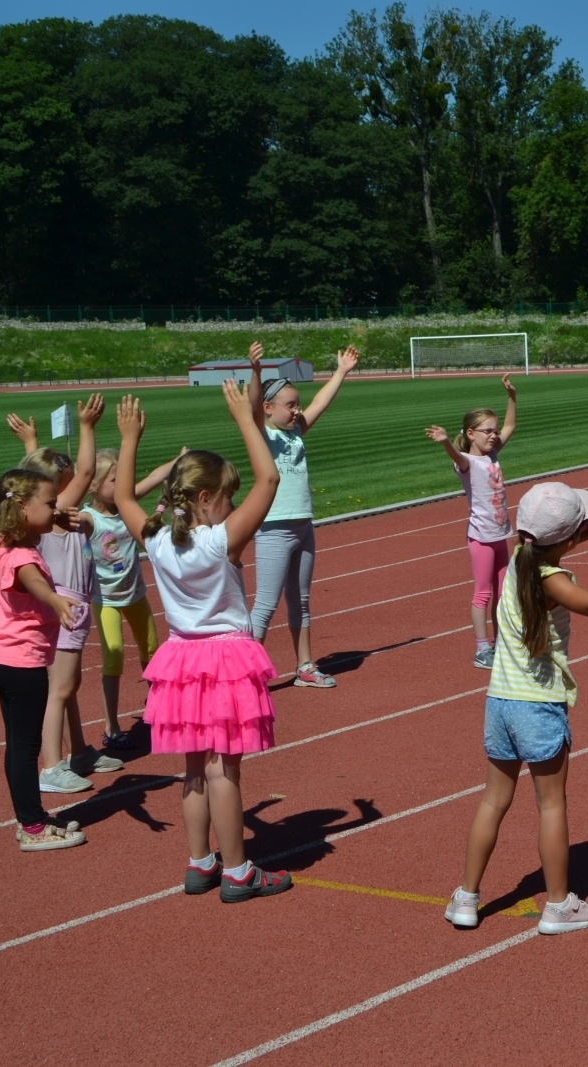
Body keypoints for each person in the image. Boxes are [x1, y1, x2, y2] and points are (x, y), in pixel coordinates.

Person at [113, 368, 294, 903]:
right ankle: (238, 872)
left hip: (181, 659)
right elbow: (270, 481)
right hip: (226, 659)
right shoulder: (220, 540)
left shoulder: (156, 540)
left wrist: (129, 441)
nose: (234, 506)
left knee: (193, 769)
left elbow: (123, 495)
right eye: (227, 498)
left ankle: (200, 863)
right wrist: (246, 418)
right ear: (208, 496)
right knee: (223, 771)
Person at [446, 483, 588, 934]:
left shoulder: (521, 557)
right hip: (538, 707)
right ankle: (559, 906)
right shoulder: (554, 581)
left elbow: (580, 529)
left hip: (499, 701)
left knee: (492, 801)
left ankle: (465, 897)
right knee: (551, 807)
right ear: (569, 538)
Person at [6, 395, 123, 793]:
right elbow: (87, 470)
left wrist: (31, 442)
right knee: (60, 688)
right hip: (66, 603)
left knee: (68, 687)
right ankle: (52, 766)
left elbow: (34, 471)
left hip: (72, 600)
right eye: (66, 481)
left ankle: (79, 752)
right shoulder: (54, 508)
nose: (75, 484)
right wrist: (87, 427)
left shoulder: (48, 507)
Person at [0, 467, 86, 851]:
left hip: (2, 657)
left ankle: (30, 818)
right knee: (26, 750)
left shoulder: (6, 539)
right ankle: (32, 826)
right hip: (22, 666)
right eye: (50, 503)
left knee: (17, 746)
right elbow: (36, 582)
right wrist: (57, 599)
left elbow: (26, 517)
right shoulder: (22, 557)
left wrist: (53, 516)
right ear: (24, 508)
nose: (56, 508)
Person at [250, 341, 358, 687]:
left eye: (298, 405)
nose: (297, 411)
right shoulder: (262, 434)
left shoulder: (295, 432)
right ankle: (245, 674)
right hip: (273, 529)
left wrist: (340, 371)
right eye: (290, 405)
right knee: (265, 606)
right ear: (268, 407)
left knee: (302, 601)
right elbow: (251, 408)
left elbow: (321, 403)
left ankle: (305, 666)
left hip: (303, 526)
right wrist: (255, 371)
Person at [83, 446, 181, 747]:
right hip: (106, 600)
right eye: (114, 480)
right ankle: (111, 727)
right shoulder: (89, 519)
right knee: (113, 657)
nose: (121, 484)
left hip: (135, 594)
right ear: (95, 486)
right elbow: (69, 522)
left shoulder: (127, 505)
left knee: (152, 653)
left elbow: (154, 476)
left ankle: (160, 713)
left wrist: (178, 460)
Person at [426, 374, 518, 669]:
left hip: (500, 536)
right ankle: (481, 649)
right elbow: (457, 454)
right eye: (486, 431)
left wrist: (512, 397)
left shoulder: (492, 456)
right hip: (481, 539)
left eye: (493, 430)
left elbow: (511, 426)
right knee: (483, 593)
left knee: (504, 594)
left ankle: (502, 642)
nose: (493, 435)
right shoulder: (467, 461)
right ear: (470, 433)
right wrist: (444, 443)